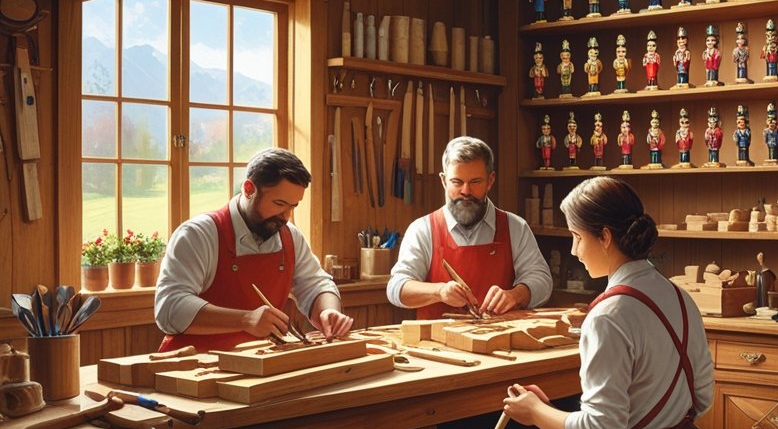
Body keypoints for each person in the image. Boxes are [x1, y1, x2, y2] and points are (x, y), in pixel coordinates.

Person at [501, 177, 714, 429]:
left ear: (604, 237)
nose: (573, 250)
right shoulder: (680, 296)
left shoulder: (607, 315)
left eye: (576, 237)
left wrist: (536, 412)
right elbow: (702, 399)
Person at [156, 148, 354, 351]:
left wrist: (328, 311)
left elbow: (316, 284)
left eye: (293, 207)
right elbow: (169, 308)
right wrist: (246, 319)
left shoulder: (290, 236)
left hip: (256, 365)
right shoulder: (199, 234)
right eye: (279, 203)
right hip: (190, 367)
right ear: (249, 189)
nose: (286, 217)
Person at [388, 137, 551, 318]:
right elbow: (397, 288)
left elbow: (542, 280)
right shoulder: (422, 230)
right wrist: (439, 292)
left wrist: (515, 295)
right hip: (435, 345)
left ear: (490, 180)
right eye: (457, 182)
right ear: (443, 181)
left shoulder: (515, 227)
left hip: (499, 342)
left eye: (475, 182)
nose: (465, 191)